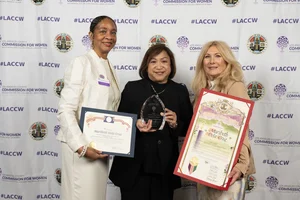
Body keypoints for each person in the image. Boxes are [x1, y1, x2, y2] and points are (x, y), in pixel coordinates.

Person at [109, 44, 193, 200]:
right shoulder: (132, 88)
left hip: (164, 168)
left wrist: (175, 123)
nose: (159, 66)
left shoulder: (179, 91)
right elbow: (119, 123)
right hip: (133, 168)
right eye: (153, 61)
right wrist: (134, 124)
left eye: (164, 61)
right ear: (146, 65)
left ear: (171, 65)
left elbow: (189, 128)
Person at [56, 16, 120, 200]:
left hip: (100, 148)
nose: (109, 36)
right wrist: (81, 147)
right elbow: (66, 109)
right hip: (82, 147)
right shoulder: (81, 63)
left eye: (113, 32)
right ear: (91, 35)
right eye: (103, 31)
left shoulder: (109, 66)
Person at [191, 40, 256, 200]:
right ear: (202, 62)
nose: (212, 61)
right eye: (207, 57)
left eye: (218, 56)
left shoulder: (235, 86)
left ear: (227, 60)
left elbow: (241, 129)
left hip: (229, 168)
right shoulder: (203, 91)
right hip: (206, 166)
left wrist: (241, 165)